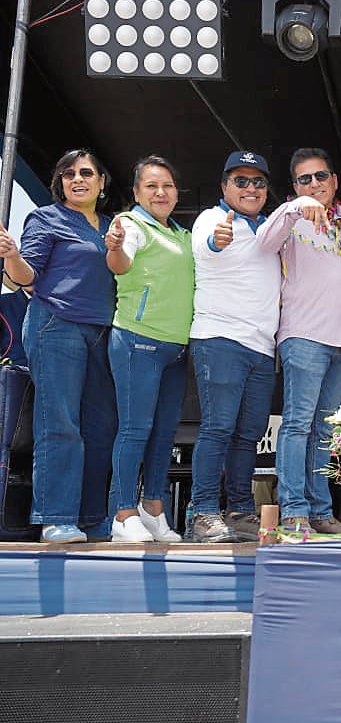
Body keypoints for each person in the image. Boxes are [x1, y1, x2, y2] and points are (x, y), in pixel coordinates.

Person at [0, 149, 116, 543]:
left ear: (102, 182)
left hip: (103, 333)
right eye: (68, 174)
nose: (77, 179)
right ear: (60, 183)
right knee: (61, 423)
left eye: (86, 172)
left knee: (101, 427)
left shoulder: (114, 225)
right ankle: (56, 516)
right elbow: (23, 277)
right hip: (56, 326)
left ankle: (92, 516)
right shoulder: (46, 218)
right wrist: (12, 256)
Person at [257, 148, 341, 535]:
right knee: (298, 425)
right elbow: (264, 243)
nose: (314, 185)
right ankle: (294, 509)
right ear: (294, 187)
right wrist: (296, 206)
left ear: (334, 181)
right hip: (303, 337)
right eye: (304, 180)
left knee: (323, 430)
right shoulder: (290, 218)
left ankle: (320, 510)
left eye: (321, 177)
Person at [188, 150, 281, 543]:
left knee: (248, 434)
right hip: (221, 339)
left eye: (258, 181)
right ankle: (203, 512)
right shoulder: (212, 219)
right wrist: (217, 240)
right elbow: (207, 246)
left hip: (262, 347)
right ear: (225, 186)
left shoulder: (267, 228)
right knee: (217, 428)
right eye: (240, 180)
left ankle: (241, 510)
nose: (250, 188)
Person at [103, 155, 193, 543]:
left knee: (163, 433)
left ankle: (153, 510)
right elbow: (120, 263)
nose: (161, 192)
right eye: (152, 186)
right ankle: (123, 515)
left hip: (176, 348)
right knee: (135, 429)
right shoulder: (129, 224)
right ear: (137, 192)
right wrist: (116, 249)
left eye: (168, 186)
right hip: (137, 339)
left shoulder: (181, 234)